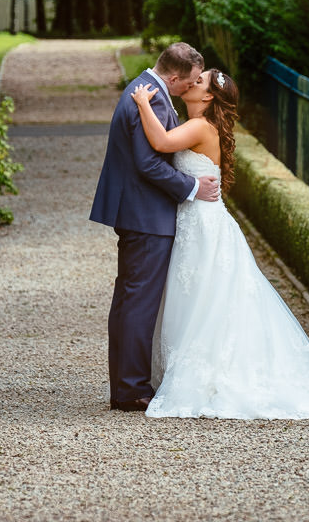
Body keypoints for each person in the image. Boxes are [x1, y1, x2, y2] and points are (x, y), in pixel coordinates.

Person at [130, 68, 309, 419]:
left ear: (209, 97)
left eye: (199, 82)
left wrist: (141, 104)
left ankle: (210, 374)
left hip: (202, 223)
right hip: (201, 219)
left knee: (202, 296)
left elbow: (162, 144)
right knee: (203, 296)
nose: (192, 82)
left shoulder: (199, 126)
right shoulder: (201, 124)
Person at [90, 42, 221, 412]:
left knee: (129, 301)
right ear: (175, 77)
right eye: (192, 80)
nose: (193, 86)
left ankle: (125, 386)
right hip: (146, 216)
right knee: (138, 304)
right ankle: (131, 390)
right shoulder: (153, 100)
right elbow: (149, 165)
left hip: (137, 213)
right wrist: (193, 187)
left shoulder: (142, 90)